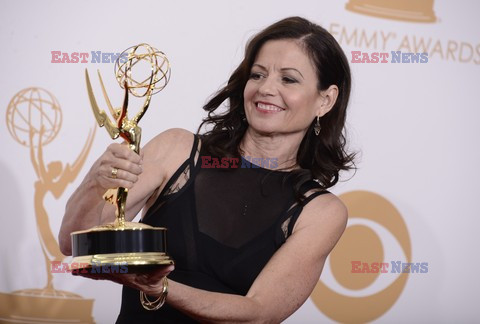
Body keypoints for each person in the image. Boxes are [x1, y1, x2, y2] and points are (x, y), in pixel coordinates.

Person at [59, 16, 354, 323]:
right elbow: (73, 242)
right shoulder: (177, 150)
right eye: (257, 75)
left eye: (289, 79)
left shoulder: (321, 212)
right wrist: (96, 181)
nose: (266, 88)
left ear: (325, 100)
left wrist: (161, 287)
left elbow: (259, 313)